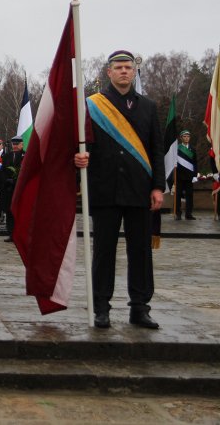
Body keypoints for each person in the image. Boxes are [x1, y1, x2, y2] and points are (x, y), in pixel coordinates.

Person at [74, 49, 164, 330]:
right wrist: (78, 157)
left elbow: (156, 150)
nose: (124, 71)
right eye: (119, 67)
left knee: (141, 252)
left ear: (134, 71)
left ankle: (140, 308)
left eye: (128, 67)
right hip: (105, 189)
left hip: (139, 190)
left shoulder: (148, 107)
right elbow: (81, 144)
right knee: (104, 252)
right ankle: (101, 307)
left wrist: (158, 187)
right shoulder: (92, 106)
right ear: (109, 72)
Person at [172, 130, 198, 220]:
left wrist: (195, 175)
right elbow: (173, 161)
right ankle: (178, 213)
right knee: (178, 195)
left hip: (189, 177)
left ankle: (188, 214)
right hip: (179, 176)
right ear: (181, 138)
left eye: (188, 136)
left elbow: (195, 163)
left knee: (189, 195)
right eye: (185, 136)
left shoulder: (193, 149)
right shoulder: (177, 149)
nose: (187, 138)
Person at [2, 136, 25, 242]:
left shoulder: (26, 156)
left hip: (21, 189)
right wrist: (7, 180)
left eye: (17, 144)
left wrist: (16, 181)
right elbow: (2, 171)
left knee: (21, 212)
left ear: (22, 144)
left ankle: (21, 234)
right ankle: (11, 234)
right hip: (8, 189)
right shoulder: (7, 156)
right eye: (13, 144)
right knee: (9, 212)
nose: (15, 146)